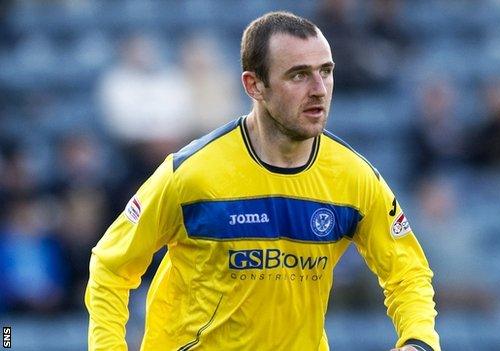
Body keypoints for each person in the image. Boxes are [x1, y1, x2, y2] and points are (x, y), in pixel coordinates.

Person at [85, 11, 439, 351]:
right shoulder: (191, 173)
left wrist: (418, 340)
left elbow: (407, 272)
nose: (319, 89)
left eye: (325, 71)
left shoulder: (353, 178)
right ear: (254, 85)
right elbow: (111, 266)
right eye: (299, 75)